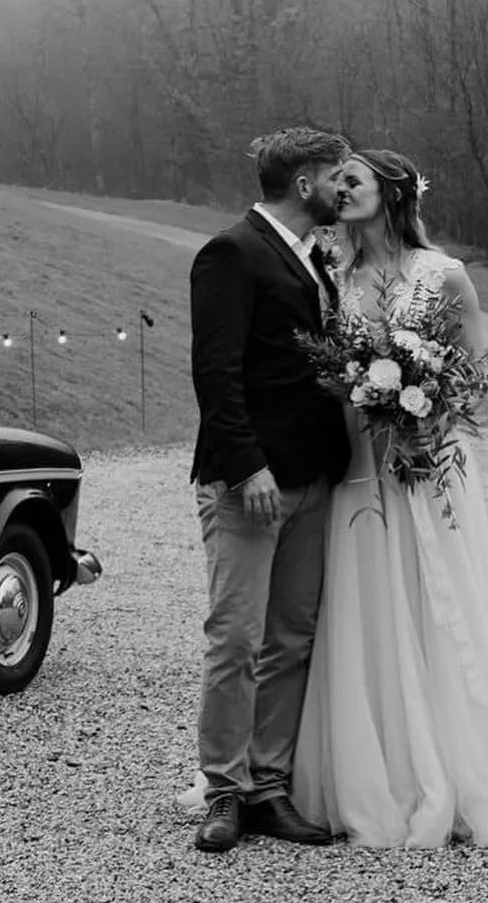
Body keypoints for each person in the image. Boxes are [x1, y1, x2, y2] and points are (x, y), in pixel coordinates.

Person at [290, 149, 488, 847]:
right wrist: (357, 391)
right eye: (339, 182)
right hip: (360, 461)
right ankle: (372, 769)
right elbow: (320, 371)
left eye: (355, 180)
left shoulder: (442, 274)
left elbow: (475, 375)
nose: (342, 189)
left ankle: (455, 767)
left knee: (436, 596)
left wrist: (425, 415)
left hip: (429, 461)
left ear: (391, 194)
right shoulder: (331, 274)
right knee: (365, 601)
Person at [187, 126, 353, 852]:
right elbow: (215, 372)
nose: (345, 191)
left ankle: (269, 787)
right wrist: (247, 465)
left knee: (290, 640)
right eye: (336, 179)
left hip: (315, 477)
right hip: (249, 484)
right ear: (305, 182)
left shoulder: (318, 261)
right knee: (236, 640)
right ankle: (223, 792)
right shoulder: (231, 252)